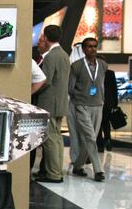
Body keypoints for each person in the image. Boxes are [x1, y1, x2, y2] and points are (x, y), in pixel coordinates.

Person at [34, 25, 70, 183]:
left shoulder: (51, 57)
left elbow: (45, 80)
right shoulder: (63, 55)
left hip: (49, 103)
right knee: (57, 139)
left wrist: (31, 90)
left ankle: (53, 174)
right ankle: (56, 172)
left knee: (50, 140)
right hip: (59, 103)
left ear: (46, 38)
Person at [69, 37, 107, 182]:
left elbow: (102, 85)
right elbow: (70, 88)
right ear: (84, 49)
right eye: (89, 47)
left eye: (94, 46)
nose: (92, 49)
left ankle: (78, 166)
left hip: (98, 106)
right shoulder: (76, 66)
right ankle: (99, 170)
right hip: (82, 105)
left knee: (88, 140)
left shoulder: (103, 65)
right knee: (91, 137)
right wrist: (78, 100)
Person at [97, 64, 118, 152]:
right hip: (108, 103)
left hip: (97, 101)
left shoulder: (96, 73)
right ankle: (108, 140)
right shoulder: (110, 73)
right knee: (106, 123)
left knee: (98, 124)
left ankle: (100, 145)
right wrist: (115, 104)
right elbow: (114, 89)